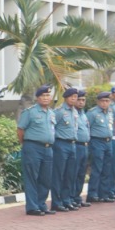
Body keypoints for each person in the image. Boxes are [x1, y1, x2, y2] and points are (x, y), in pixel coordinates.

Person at [16, 84, 56, 217]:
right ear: (38, 98)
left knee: (46, 179)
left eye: (48, 95)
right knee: (32, 177)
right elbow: (20, 130)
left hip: (48, 148)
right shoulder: (30, 112)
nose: (46, 98)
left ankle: (41, 205)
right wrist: (25, 144)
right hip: (33, 147)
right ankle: (32, 207)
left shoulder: (51, 113)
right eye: (43, 95)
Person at [49, 88, 78, 213]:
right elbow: (52, 128)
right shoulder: (60, 111)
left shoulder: (74, 111)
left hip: (72, 144)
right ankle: (56, 202)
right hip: (61, 144)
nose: (74, 99)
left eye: (75, 97)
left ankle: (66, 200)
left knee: (69, 174)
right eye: (71, 97)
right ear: (66, 97)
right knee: (58, 174)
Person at [86, 91, 115, 202]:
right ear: (98, 101)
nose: (105, 103)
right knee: (97, 168)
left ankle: (104, 193)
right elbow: (87, 127)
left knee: (107, 168)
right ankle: (92, 193)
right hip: (97, 141)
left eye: (107, 101)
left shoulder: (110, 112)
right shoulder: (92, 113)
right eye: (102, 101)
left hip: (108, 142)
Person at [71, 88, 92, 207]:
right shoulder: (72, 113)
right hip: (76, 145)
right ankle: (71, 197)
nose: (81, 102)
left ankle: (77, 197)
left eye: (83, 100)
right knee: (73, 173)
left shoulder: (83, 114)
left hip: (85, 146)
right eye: (79, 100)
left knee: (81, 174)